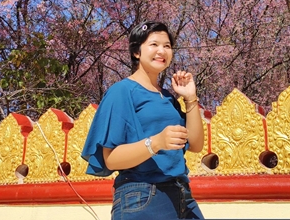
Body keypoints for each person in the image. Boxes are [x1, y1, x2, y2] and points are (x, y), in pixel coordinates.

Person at [82, 20, 205, 219]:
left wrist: (190, 97)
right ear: (136, 52)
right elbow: (111, 159)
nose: (162, 51)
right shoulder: (122, 91)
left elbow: (196, 145)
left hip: (182, 194)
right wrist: (156, 142)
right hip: (142, 194)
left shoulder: (168, 98)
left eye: (167, 46)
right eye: (154, 44)